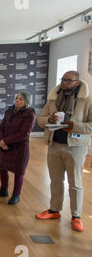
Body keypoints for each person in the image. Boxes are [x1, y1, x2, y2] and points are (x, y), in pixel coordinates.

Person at [35, 71, 92, 232]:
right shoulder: (53, 98)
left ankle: (76, 216)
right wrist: (49, 120)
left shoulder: (87, 100)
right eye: (63, 80)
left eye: (68, 81)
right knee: (55, 180)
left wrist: (73, 125)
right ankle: (54, 210)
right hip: (54, 144)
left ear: (78, 83)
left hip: (75, 146)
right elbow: (40, 119)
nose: (64, 83)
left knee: (75, 183)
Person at [0, 92, 36, 205]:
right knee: (2, 168)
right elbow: (1, 127)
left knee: (18, 171)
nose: (17, 100)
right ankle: (3, 190)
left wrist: (5, 141)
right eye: (16, 98)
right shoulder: (9, 111)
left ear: (27, 102)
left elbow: (24, 134)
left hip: (19, 147)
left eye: (21, 99)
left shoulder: (29, 114)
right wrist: (1, 141)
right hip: (5, 146)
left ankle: (16, 195)